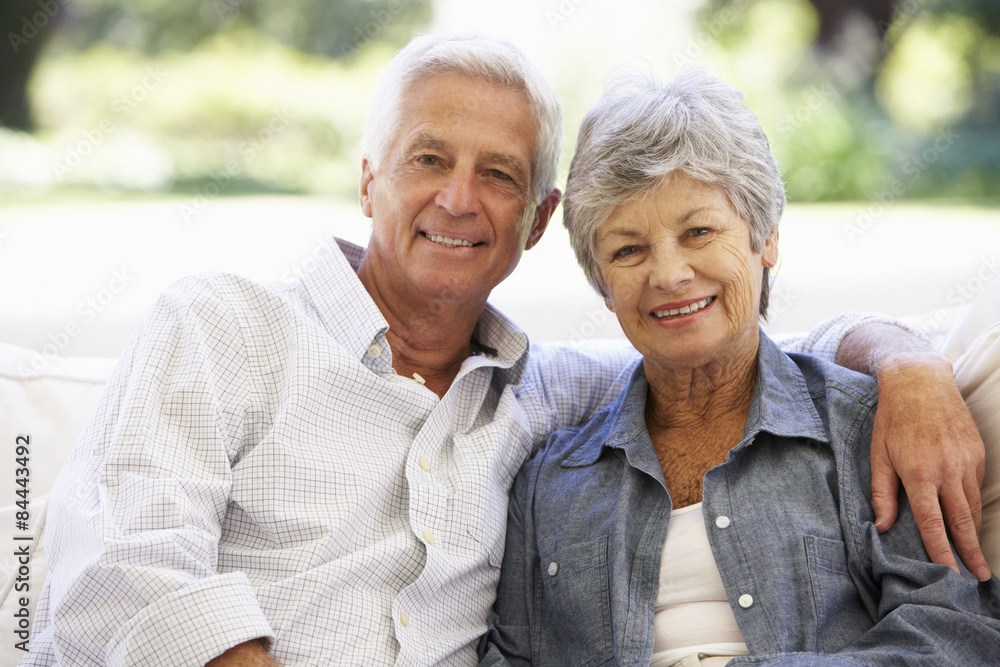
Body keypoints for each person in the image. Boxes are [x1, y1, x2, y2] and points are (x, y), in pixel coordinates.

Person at [23, 34, 988, 667]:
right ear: (368, 179)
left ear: (534, 222)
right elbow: (122, 572)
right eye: (429, 159)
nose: (457, 200)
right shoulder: (223, 329)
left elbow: (730, 355)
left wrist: (902, 360)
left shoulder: (545, 395)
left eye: (497, 175)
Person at [479, 68, 1000, 667]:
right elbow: (509, 656)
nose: (669, 275)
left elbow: (958, 632)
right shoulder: (549, 479)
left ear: (766, 238)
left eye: (698, 231)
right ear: (603, 285)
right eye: (628, 250)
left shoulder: (865, 431)